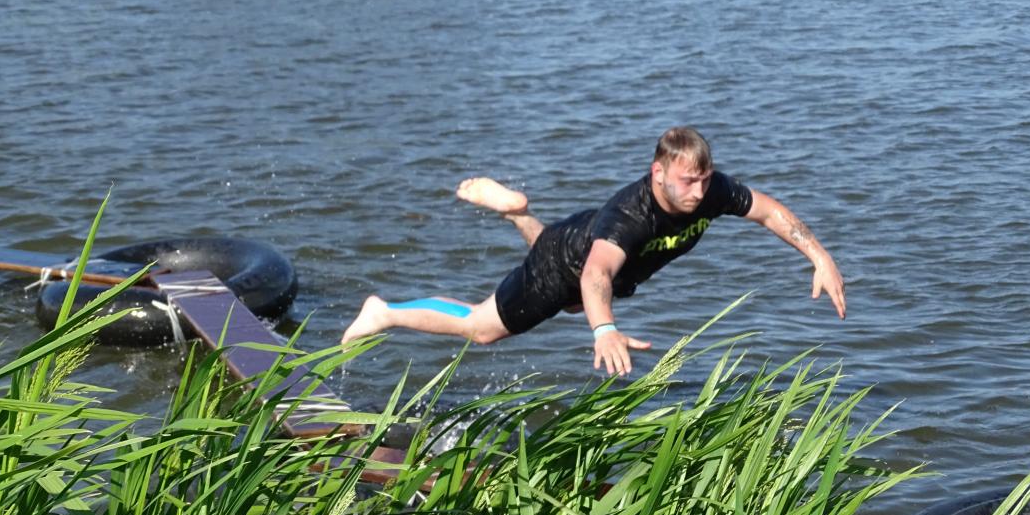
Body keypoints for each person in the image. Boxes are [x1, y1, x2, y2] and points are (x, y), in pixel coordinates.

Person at [341, 127, 846, 376]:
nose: (698, 192)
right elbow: (595, 275)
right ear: (658, 174)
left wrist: (819, 257)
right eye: (687, 182)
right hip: (566, 266)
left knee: (564, 272)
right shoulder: (631, 216)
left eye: (704, 179)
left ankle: (518, 212)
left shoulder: (711, 190)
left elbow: (767, 211)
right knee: (483, 328)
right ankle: (385, 312)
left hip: (578, 239)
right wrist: (604, 329)